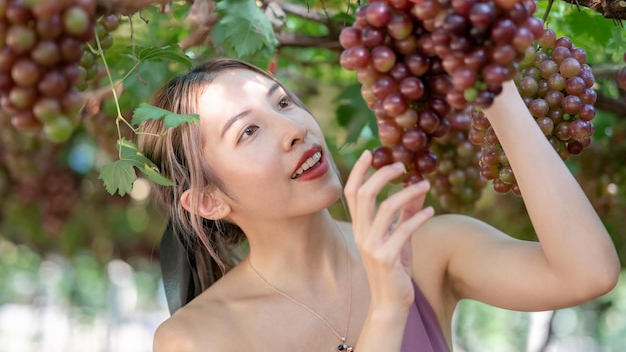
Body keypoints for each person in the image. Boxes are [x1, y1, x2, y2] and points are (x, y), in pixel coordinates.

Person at [139, 58, 620, 352]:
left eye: (283, 103)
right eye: (248, 131)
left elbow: (588, 273)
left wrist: (495, 88)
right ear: (208, 200)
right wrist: (389, 307)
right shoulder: (196, 340)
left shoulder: (425, 248)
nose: (295, 130)